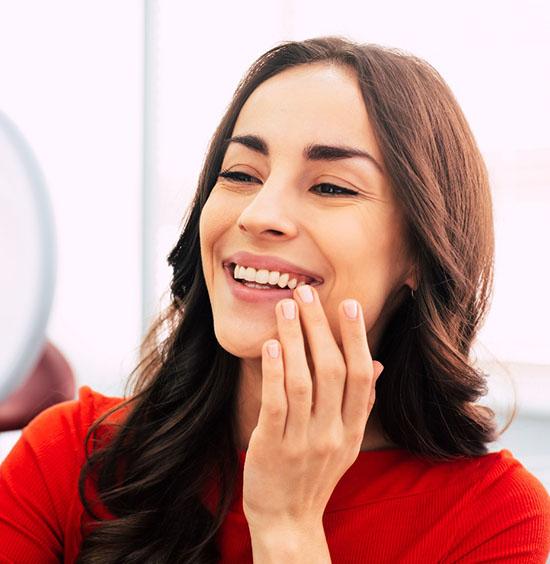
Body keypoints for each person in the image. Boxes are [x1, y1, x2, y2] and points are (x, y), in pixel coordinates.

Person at [0, 36, 549, 563]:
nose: (258, 214)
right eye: (240, 174)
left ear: (419, 253)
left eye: (330, 187)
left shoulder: (495, 518)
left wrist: (287, 527)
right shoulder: (68, 456)